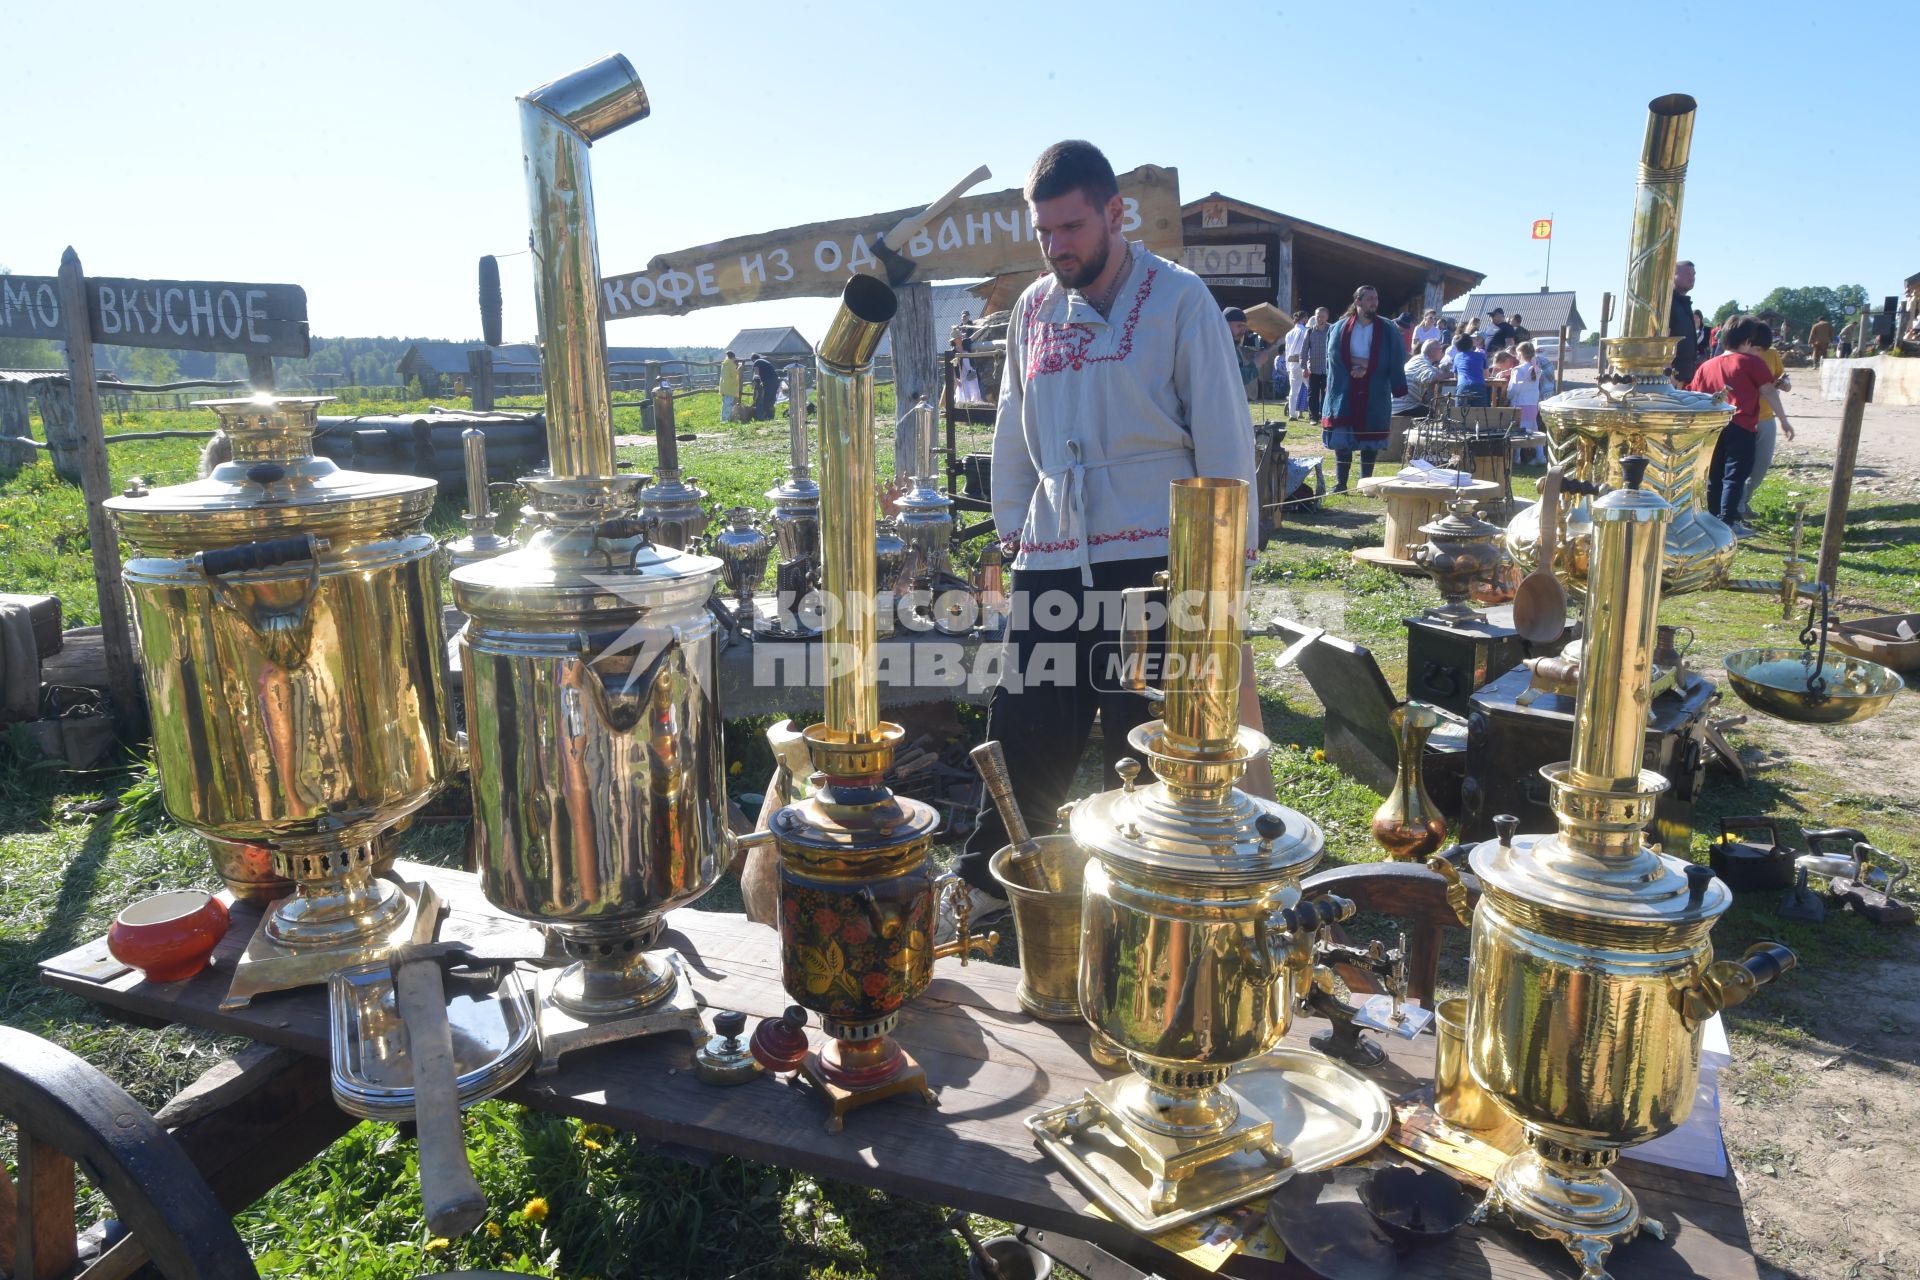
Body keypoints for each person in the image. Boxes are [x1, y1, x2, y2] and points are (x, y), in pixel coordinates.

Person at [947, 138, 1257, 936]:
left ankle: (1160, 898)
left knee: (1148, 733)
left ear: (1115, 213)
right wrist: (1017, 531)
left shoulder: (1180, 300)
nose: (1057, 247)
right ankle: (991, 878)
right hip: (1054, 551)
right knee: (1026, 723)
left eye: (1072, 227)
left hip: (1157, 555)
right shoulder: (1032, 309)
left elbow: (1223, 436)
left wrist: (1224, 564)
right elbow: (1015, 426)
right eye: (1044, 232)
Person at [1687, 315, 1790, 536]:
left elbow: (1694, 395)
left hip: (1713, 427)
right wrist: (1783, 420)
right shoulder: (1751, 362)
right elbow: (1769, 391)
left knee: (1714, 476)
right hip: (1741, 424)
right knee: (1735, 474)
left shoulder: (1706, 366)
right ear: (1747, 340)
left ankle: (1713, 521)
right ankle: (1728, 521)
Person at [1321, 285, 1409, 492]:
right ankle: (1341, 484)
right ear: (1358, 301)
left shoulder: (1387, 328)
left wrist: (1368, 368)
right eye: (1369, 298)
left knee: (1370, 439)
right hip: (1345, 387)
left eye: (1376, 299)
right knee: (1343, 439)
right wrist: (1354, 367)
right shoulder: (1338, 328)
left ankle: (1365, 484)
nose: (1374, 302)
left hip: (1374, 388)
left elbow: (1395, 356)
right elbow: (1333, 357)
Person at [1740, 322, 1793, 521]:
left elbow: (1782, 377)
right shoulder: (1739, 355)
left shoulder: (1772, 354)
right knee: (1739, 466)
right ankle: (1735, 507)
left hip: (1765, 416)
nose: (1759, 351)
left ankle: (1743, 502)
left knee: (1761, 466)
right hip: (1742, 419)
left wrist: (1784, 383)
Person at [1390, 338, 1447, 460]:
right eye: (1440, 349)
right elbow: (1431, 377)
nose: (1442, 352)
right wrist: (1450, 374)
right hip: (1402, 405)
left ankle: (1422, 449)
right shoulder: (1422, 361)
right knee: (1432, 414)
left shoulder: (1418, 360)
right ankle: (1426, 450)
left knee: (1429, 410)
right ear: (1432, 351)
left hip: (1401, 402)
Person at [1224, 306, 1280, 401]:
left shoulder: (1232, 347)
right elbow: (1232, 379)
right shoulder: (1220, 347)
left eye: (1244, 327)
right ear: (1225, 324)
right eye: (1239, 326)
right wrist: (1256, 363)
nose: (1243, 331)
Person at [1507, 340, 1546, 463]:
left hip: (1519, 403)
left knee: (1518, 430)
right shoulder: (1537, 369)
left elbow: (1513, 389)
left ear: (1520, 353)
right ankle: (1540, 456)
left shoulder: (1518, 370)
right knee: (1533, 429)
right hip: (1532, 403)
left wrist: (1508, 396)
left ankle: (1517, 457)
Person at [1669, 260, 1700, 384]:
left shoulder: (1683, 304)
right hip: (1672, 379)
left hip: (1685, 379)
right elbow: (1662, 338)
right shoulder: (1668, 304)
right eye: (1687, 273)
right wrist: (1669, 373)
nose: (1692, 277)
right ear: (1673, 274)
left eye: (1693, 274)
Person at [1303, 307, 1331, 422]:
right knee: (1312, 394)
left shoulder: (1332, 330)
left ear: (1327, 317)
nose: (1320, 318)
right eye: (1318, 316)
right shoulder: (1309, 331)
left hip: (1327, 369)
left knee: (1327, 395)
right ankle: (1313, 417)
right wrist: (1303, 367)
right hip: (1313, 368)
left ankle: (1325, 416)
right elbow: (1304, 351)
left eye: (1322, 316)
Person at [1283, 309, 1311, 419]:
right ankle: (1313, 413)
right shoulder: (1305, 331)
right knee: (1311, 388)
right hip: (1304, 362)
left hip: (1292, 363)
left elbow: (1287, 350)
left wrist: (1287, 366)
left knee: (1293, 391)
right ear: (1304, 319)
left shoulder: (1289, 333)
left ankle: (1292, 413)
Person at [1451, 332, 1489, 407]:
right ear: (1472, 344)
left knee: (1459, 415)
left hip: (1463, 387)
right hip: (1479, 386)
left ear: (1457, 348)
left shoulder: (1457, 357)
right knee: (1480, 414)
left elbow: (1456, 376)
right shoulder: (1482, 355)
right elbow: (1486, 375)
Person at [953, 334, 983, 402]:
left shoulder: (965, 343)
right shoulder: (953, 352)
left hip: (971, 371)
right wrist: (955, 379)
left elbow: (973, 337)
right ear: (954, 340)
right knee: (964, 391)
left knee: (975, 390)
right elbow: (952, 367)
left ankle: (976, 403)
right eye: (958, 337)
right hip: (961, 373)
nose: (961, 338)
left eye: (960, 337)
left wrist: (984, 328)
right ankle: (965, 405)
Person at [751, 353, 778, 420]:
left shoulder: (756, 362)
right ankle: (771, 417)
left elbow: (756, 375)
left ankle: (763, 417)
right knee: (771, 400)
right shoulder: (764, 362)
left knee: (764, 399)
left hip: (769, 382)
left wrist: (755, 383)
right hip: (775, 382)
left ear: (753, 359)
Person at [718, 349, 741, 423]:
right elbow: (734, 375)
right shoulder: (731, 364)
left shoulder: (725, 363)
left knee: (725, 405)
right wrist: (739, 368)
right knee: (728, 405)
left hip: (724, 387)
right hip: (730, 388)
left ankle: (723, 419)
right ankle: (726, 420)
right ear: (733, 357)